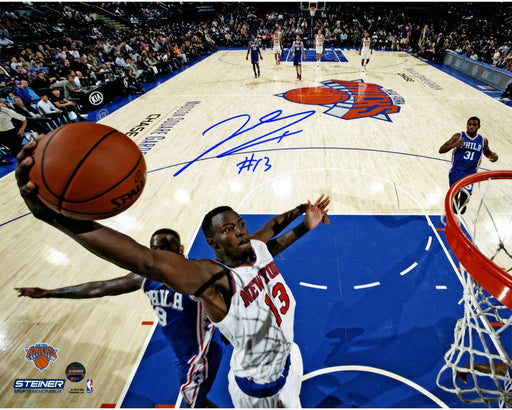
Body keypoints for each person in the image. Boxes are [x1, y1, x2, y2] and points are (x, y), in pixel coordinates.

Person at [15, 140, 330, 407]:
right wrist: (56, 219)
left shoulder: (256, 248)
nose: (240, 232)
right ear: (212, 243)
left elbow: (274, 230)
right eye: (229, 229)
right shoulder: (213, 280)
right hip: (259, 392)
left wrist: (303, 216)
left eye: (241, 224)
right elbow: (147, 262)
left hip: (290, 359)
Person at [15, 228, 222, 408]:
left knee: (194, 404)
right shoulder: (144, 277)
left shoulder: (196, 274)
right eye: (154, 249)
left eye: (165, 249)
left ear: (180, 250)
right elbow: (99, 288)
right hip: (184, 355)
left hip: (198, 357)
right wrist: (48, 293)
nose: (158, 255)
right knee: (195, 401)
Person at [439, 117, 498, 214]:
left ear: (479, 126)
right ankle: (454, 212)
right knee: (453, 203)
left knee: (464, 198)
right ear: (466, 125)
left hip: (470, 173)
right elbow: (441, 150)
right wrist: (454, 145)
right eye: (469, 124)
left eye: (474, 125)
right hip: (456, 172)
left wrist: (493, 157)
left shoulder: (483, 140)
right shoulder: (458, 136)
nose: (471, 127)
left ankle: (462, 203)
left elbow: (487, 153)